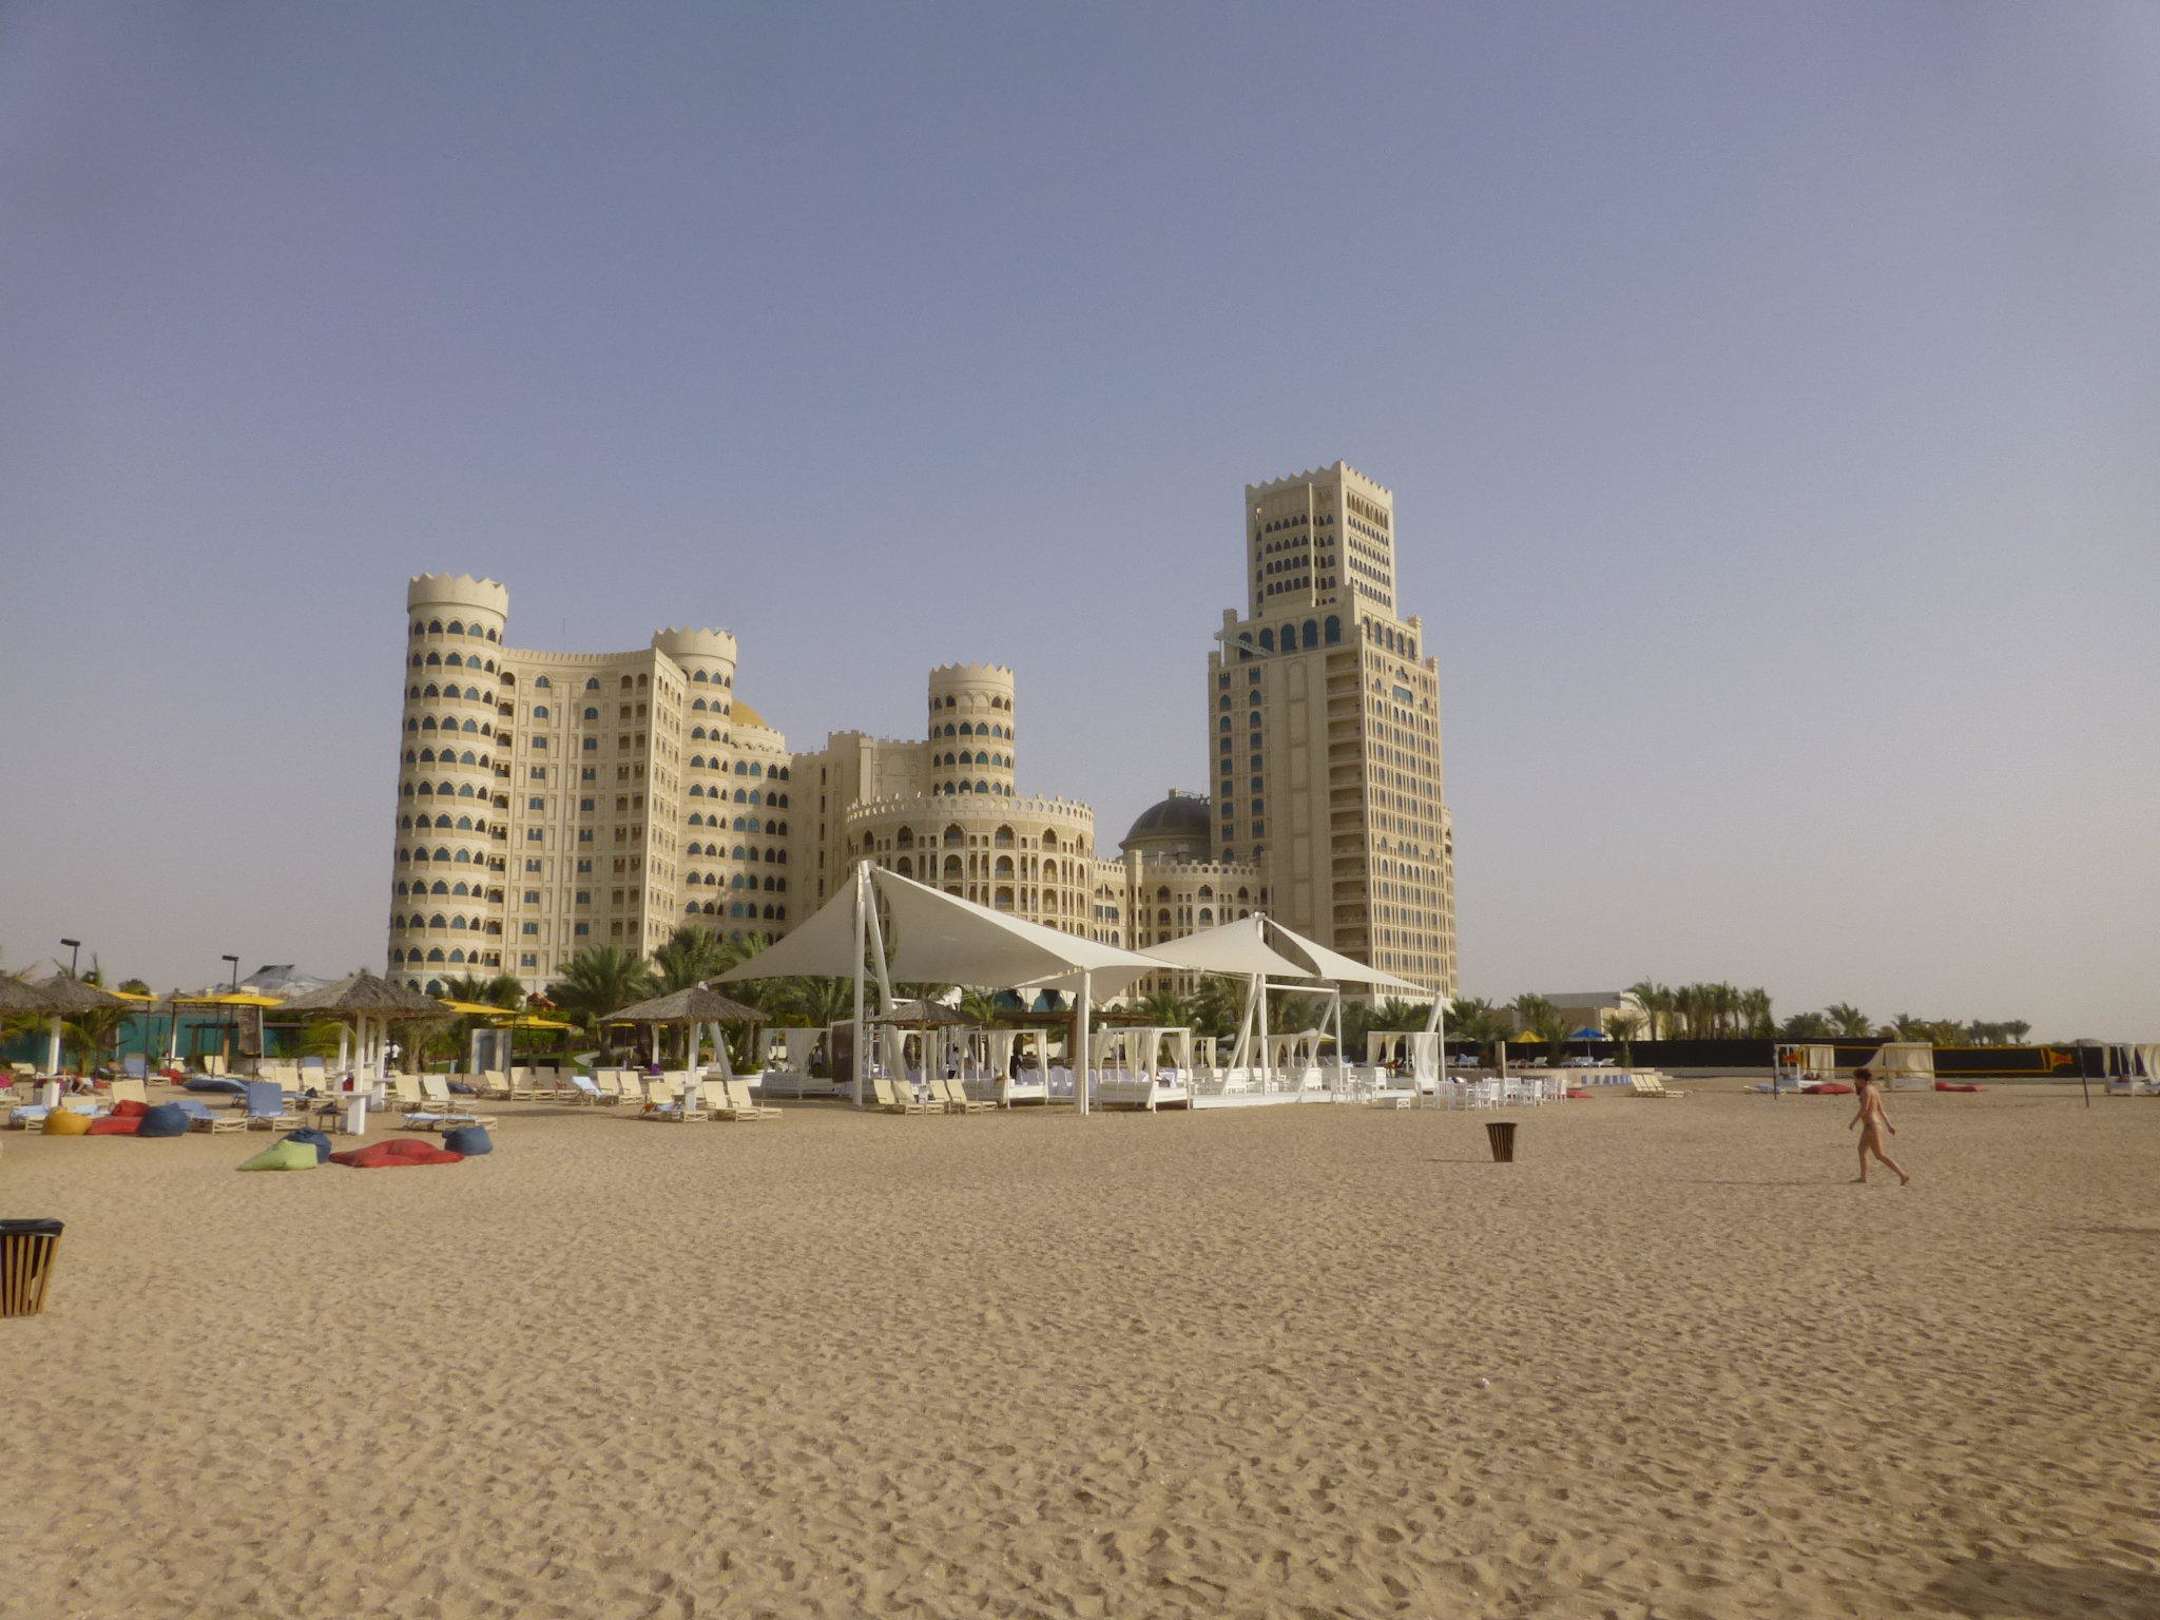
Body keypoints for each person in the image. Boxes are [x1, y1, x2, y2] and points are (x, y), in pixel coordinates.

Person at [1848, 1067, 1911, 1186]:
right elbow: (1881, 1110)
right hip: (1873, 1125)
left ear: (1861, 1079)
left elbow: (1864, 1109)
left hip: (1871, 1126)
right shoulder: (1874, 1090)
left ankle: (1903, 1174)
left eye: (1855, 1079)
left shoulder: (1866, 1091)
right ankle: (1863, 1177)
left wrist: (1853, 1122)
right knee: (1861, 1149)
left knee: (1879, 1155)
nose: (1854, 1081)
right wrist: (1889, 1125)